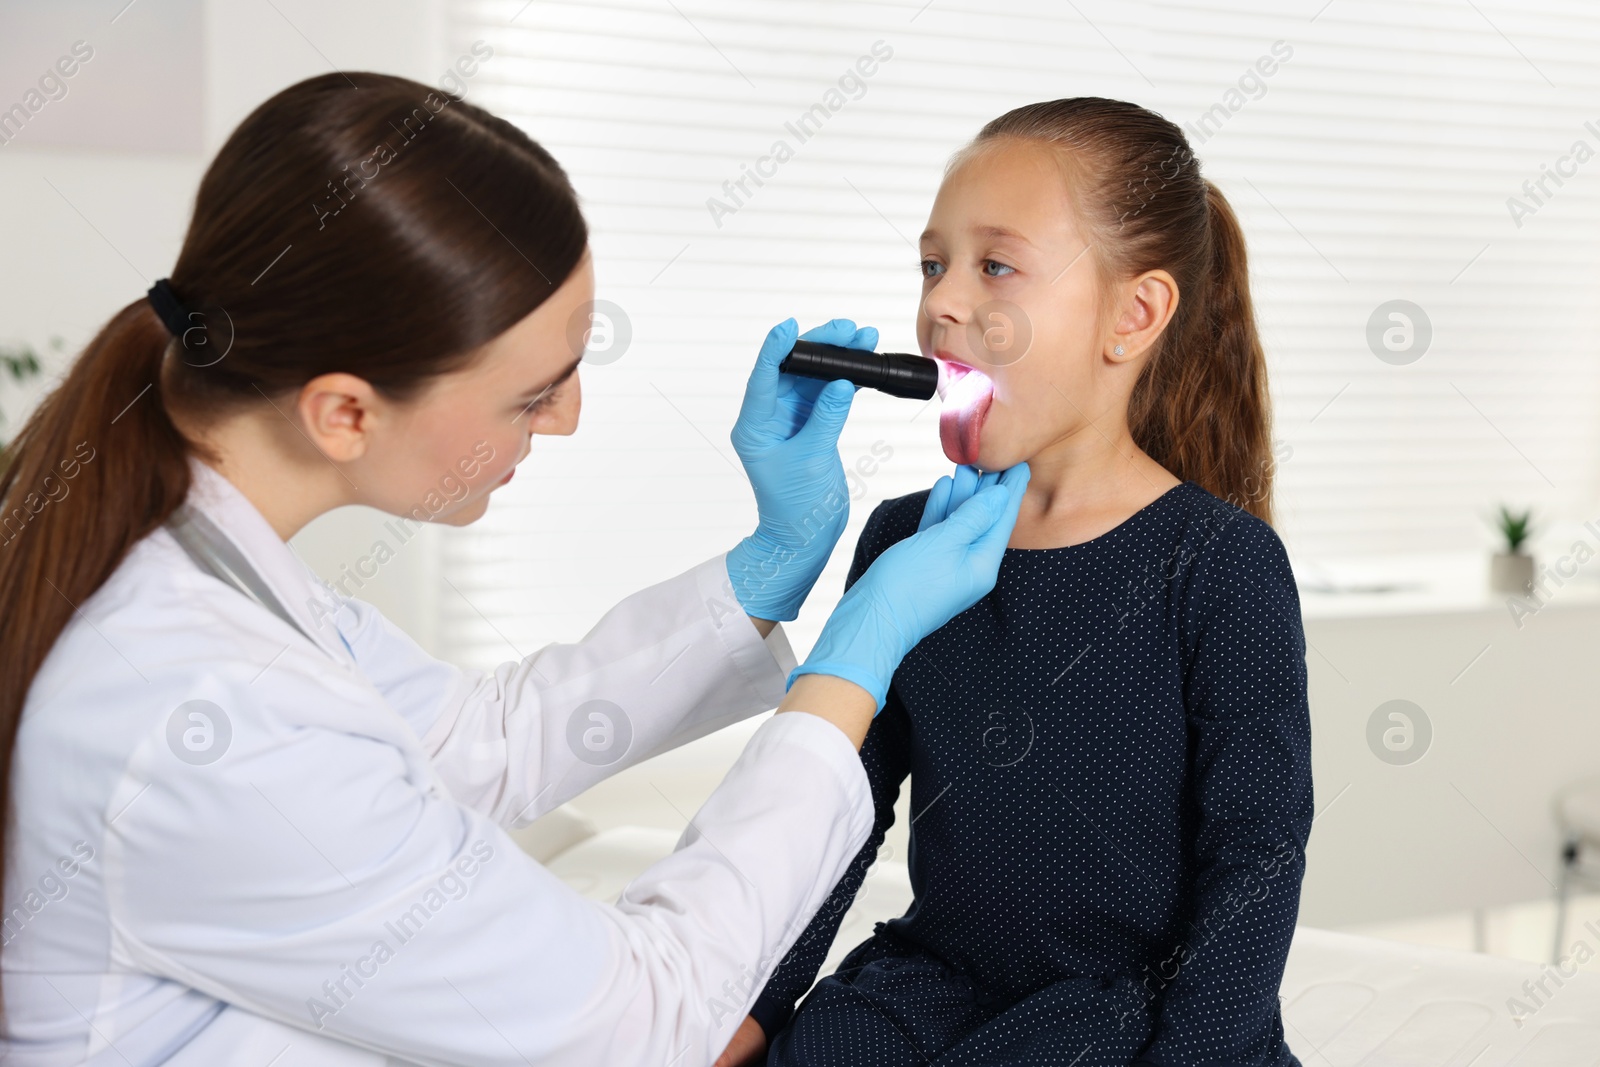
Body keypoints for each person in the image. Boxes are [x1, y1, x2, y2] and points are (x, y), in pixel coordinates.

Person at [0, 72, 1031, 1066]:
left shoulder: (204, 561)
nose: (568, 416)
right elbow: (640, 1023)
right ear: (345, 411)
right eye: (532, 393)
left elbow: (472, 739)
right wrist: (845, 674)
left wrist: (771, 563)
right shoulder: (195, 712)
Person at [718, 97, 1314, 1066]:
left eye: (994, 264)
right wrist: (748, 1011)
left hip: (1123, 1012)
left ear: (1133, 315)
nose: (941, 302)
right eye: (931, 264)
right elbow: (840, 809)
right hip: (930, 984)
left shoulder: (1219, 562)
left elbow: (1256, 852)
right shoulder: (904, 537)